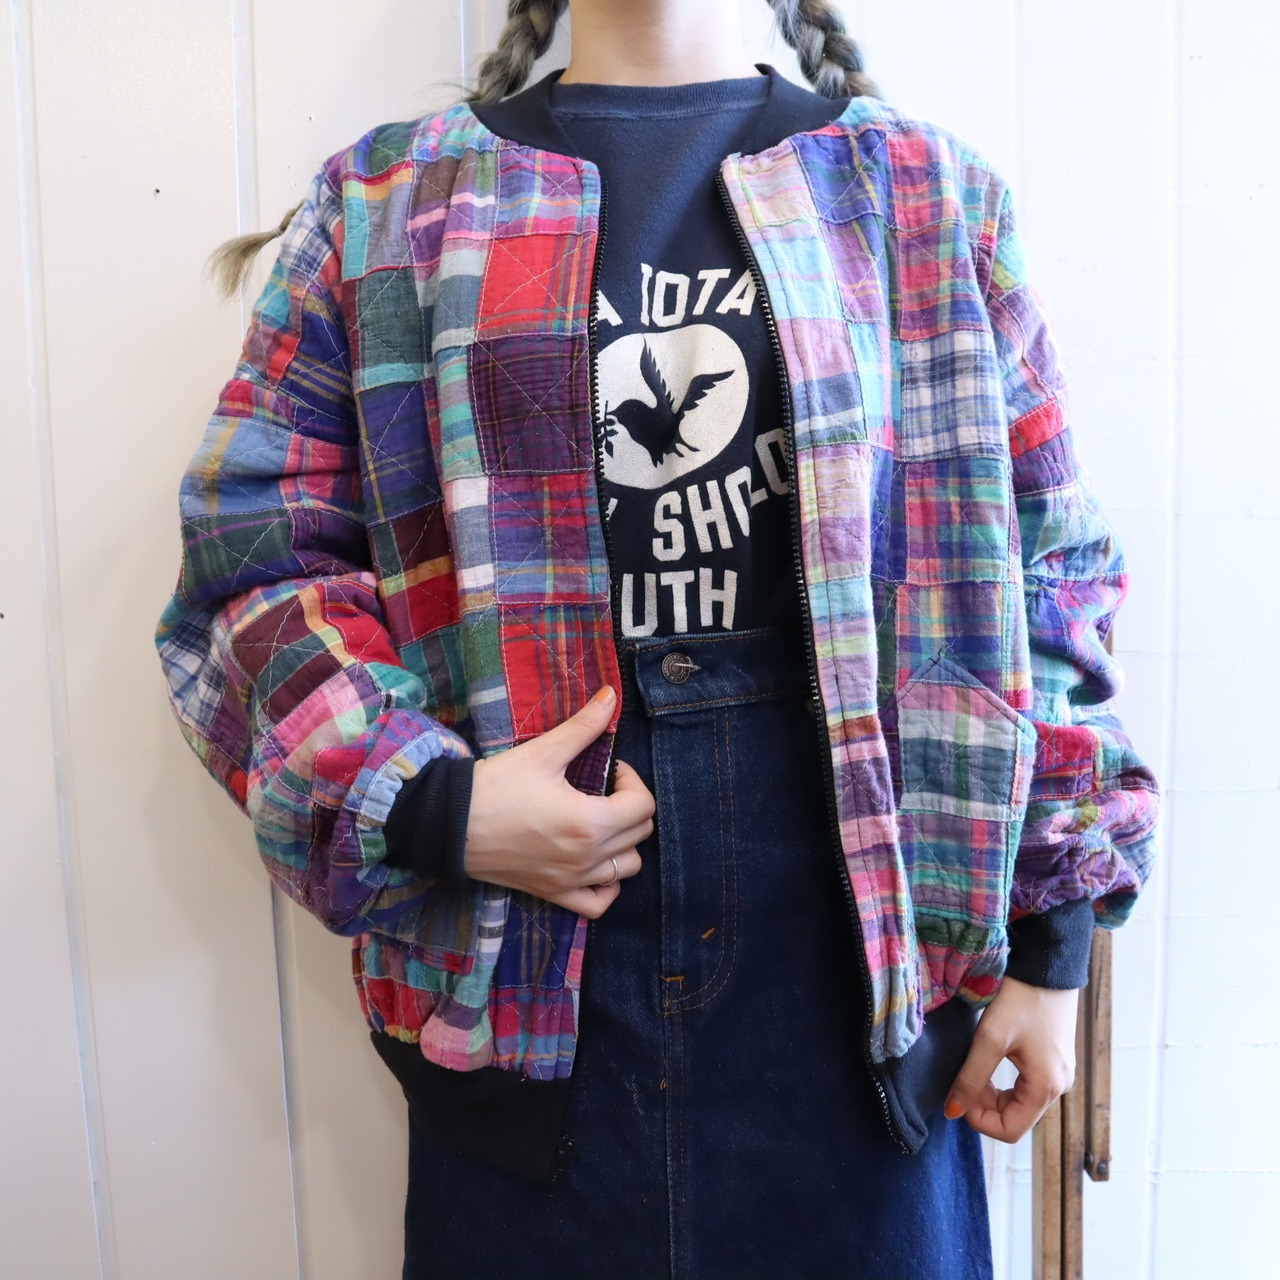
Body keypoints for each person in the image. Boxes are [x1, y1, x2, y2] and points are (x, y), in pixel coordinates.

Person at [154, 1, 1162, 1277]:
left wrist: (1051, 946)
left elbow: (1048, 570)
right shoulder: (392, 204)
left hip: (865, 984)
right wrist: (428, 800)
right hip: (524, 990)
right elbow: (252, 559)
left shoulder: (920, 195)